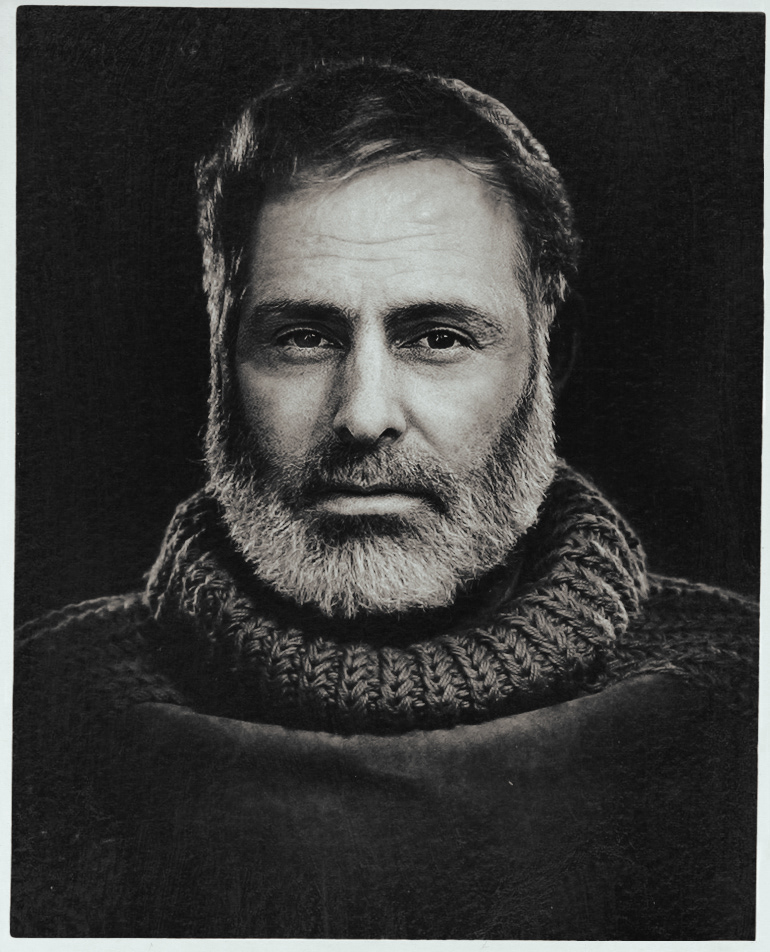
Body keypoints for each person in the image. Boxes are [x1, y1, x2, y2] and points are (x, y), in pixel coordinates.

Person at [13, 60, 757, 940]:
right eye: (302, 337)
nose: (364, 416)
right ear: (222, 360)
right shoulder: (42, 704)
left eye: (438, 337)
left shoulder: (743, 695)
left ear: (548, 360)